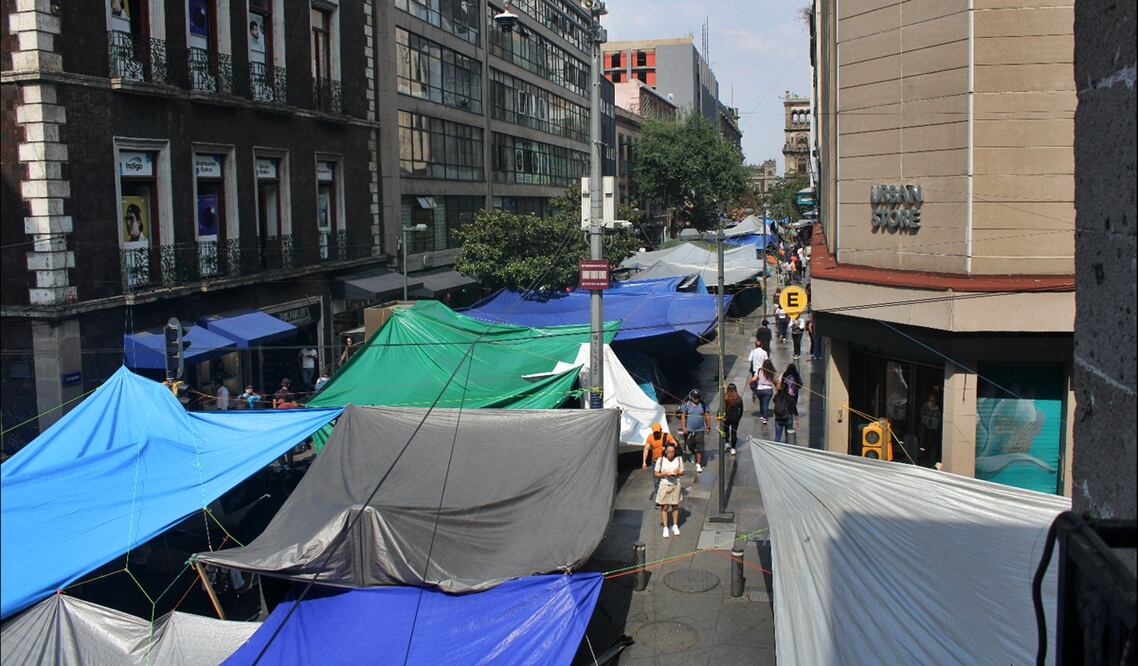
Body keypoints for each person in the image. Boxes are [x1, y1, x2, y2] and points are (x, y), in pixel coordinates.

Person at [654, 442, 685, 538]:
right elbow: (656, 474)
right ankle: (665, 527)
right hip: (665, 485)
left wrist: (677, 473)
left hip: (675, 485)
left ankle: (675, 525)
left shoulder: (679, 460)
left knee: (675, 506)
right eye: (669, 452)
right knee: (664, 507)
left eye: (672, 452)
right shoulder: (661, 460)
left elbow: (682, 472)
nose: (671, 454)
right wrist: (665, 474)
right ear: (665, 452)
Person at [679, 389, 711, 473]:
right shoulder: (687, 405)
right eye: (695, 397)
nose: (697, 399)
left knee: (699, 447)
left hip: (700, 430)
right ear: (691, 397)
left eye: (698, 397)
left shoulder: (703, 405)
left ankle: (698, 464)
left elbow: (707, 415)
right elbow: (682, 416)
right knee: (690, 444)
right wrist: (684, 427)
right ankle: (694, 452)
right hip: (689, 430)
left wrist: (708, 426)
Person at [643, 422, 678, 494]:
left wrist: (666, 447)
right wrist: (644, 462)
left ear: (661, 430)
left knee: (666, 478)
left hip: (664, 461)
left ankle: (668, 493)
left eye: (657, 432)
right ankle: (659, 496)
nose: (656, 434)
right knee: (656, 480)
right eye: (655, 432)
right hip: (655, 461)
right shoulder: (650, 437)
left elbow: (675, 444)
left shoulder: (666, 436)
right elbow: (646, 449)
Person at [771, 379, 799, 443]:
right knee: (788, 437)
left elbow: (774, 401)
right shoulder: (790, 397)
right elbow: (794, 409)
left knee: (777, 438)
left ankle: (775, 449)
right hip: (788, 418)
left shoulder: (777, 396)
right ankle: (787, 448)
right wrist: (797, 419)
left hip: (778, 418)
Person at [753, 359, 776, 424]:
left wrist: (751, 383)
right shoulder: (771, 372)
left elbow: (754, 379)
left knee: (761, 402)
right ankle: (764, 418)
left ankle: (761, 415)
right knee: (765, 404)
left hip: (759, 389)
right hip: (768, 389)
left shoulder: (760, 370)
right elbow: (775, 381)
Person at [723, 383, 743, 455]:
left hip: (726, 418)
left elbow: (722, 408)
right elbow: (741, 410)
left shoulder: (725, 398)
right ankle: (733, 448)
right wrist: (739, 418)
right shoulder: (738, 399)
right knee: (734, 433)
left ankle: (727, 443)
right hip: (735, 418)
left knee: (726, 431)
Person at [746, 338, 769, 402]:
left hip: (755, 369)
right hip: (761, 370)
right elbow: (766, 360)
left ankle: (754, 392)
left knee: (754, 382)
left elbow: (750, 359)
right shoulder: (764, 352)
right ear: (761, 345)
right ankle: (760, 391)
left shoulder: (753, 351)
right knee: (761, 381)